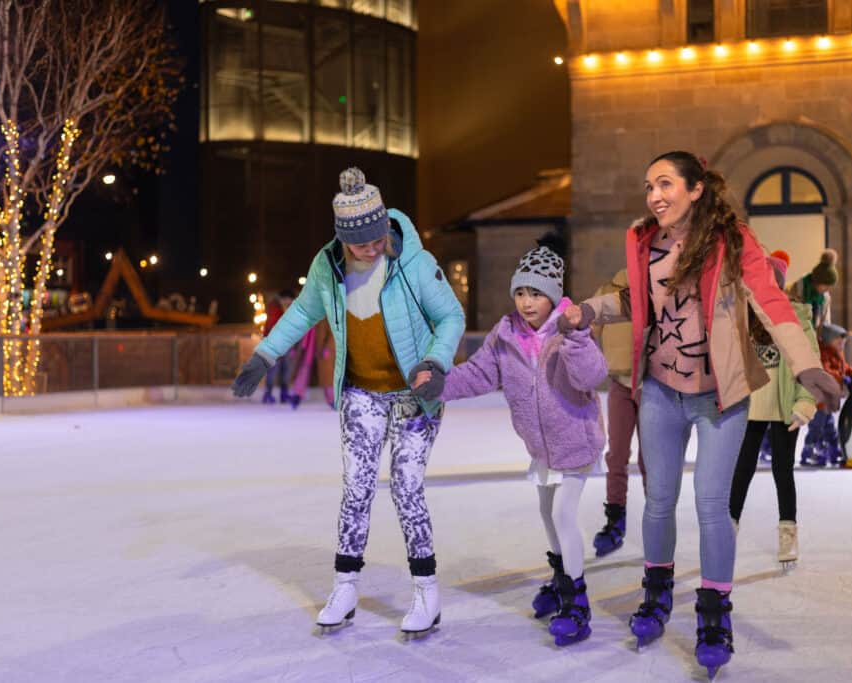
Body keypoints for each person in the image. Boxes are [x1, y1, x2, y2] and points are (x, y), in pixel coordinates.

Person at [558, 151, 841, 677]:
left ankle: (714, 613)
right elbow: (632, 298)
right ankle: (657, 591)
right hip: (661, 391)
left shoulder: (734, 243)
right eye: (647, 186)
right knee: (659, 500)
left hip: (720, 396)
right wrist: (590, 311)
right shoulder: (645, 240)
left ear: (695, 189)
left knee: (712, 504)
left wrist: (805, 368)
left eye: (664, 184)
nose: (654, 196)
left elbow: (774, 306)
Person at [231, 168, 465, 636]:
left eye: (378, 238)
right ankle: (344, 587)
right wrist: (265, 355)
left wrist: (437, 364)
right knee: (356, 488)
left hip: (414, 395)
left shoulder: (415, 263)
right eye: (362, 243)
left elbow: (451, 316)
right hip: (361, 392)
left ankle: (426, 592)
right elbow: (302, 312)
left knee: (405, 487)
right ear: (342, 239)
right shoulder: (328, 266)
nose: (373, 248)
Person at [412, 234, 607, 647]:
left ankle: (577, 602)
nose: (527, 302)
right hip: (541, 449)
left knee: (564, 517)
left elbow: (592, 377)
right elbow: (479, 374)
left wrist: (577, 336)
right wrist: (441, 386)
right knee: (547, 513)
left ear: (554, 296)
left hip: (575, 442)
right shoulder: (505, 337)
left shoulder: (570, 330)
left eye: (536, 292)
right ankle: (559, 580)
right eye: (520, 292)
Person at [728, 253, 819, 571]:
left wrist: (805, 402)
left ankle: (788, 532)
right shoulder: (741, 313)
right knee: (741, 470)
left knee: (783, 470)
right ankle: (728, 530)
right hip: (749, 406)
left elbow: (809, 361)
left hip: (784, 406)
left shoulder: (793, 316)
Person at [589, 268, 646, 557]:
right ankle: (615, 520)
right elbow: (588, 332)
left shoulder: (656, 287)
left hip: (652, 384)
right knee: (617, 454)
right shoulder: (608, 291)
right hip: (620, 383)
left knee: (652, 458)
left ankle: (656, 522)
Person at [802, 323, 852, 467]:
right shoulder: (823, 353)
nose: (841, 345)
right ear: (828, 340)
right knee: (817, 427)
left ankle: (833, 450)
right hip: (819, 400)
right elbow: (825, 372)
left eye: (843, 343)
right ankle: (809, 450)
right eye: (839, 342)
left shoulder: (837, 354)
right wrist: (841, 377)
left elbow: (845, 368)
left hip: (829, 400)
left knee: (829, 427)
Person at [787, 248, 838, 330]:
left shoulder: (825, 297)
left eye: (830, 286)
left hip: (815, 338)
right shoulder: (797, 289)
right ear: (817, 281)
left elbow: (826, 323)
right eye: (826, 285)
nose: (827, 289)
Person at [261, 290, 295, 404]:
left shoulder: (282, 308)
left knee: (285, 369)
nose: (290, 302)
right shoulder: (275, 309)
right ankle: (268, 394)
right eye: (289, 300)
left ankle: (283, 394)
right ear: (284, 298)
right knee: (273, 369)